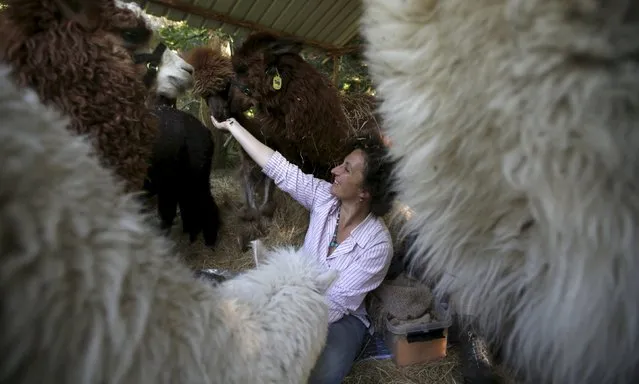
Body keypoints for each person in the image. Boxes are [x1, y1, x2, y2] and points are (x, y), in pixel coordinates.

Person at [211, 114, 396, 384]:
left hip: (338, 318)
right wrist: (232, 126)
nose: (335, 170)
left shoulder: (377, 245)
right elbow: (280, 168)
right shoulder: (324, 198)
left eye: (346, 169)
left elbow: (334, 304)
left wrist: (279, 323)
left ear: (365, 191)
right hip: (292, 295)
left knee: (320, 370)